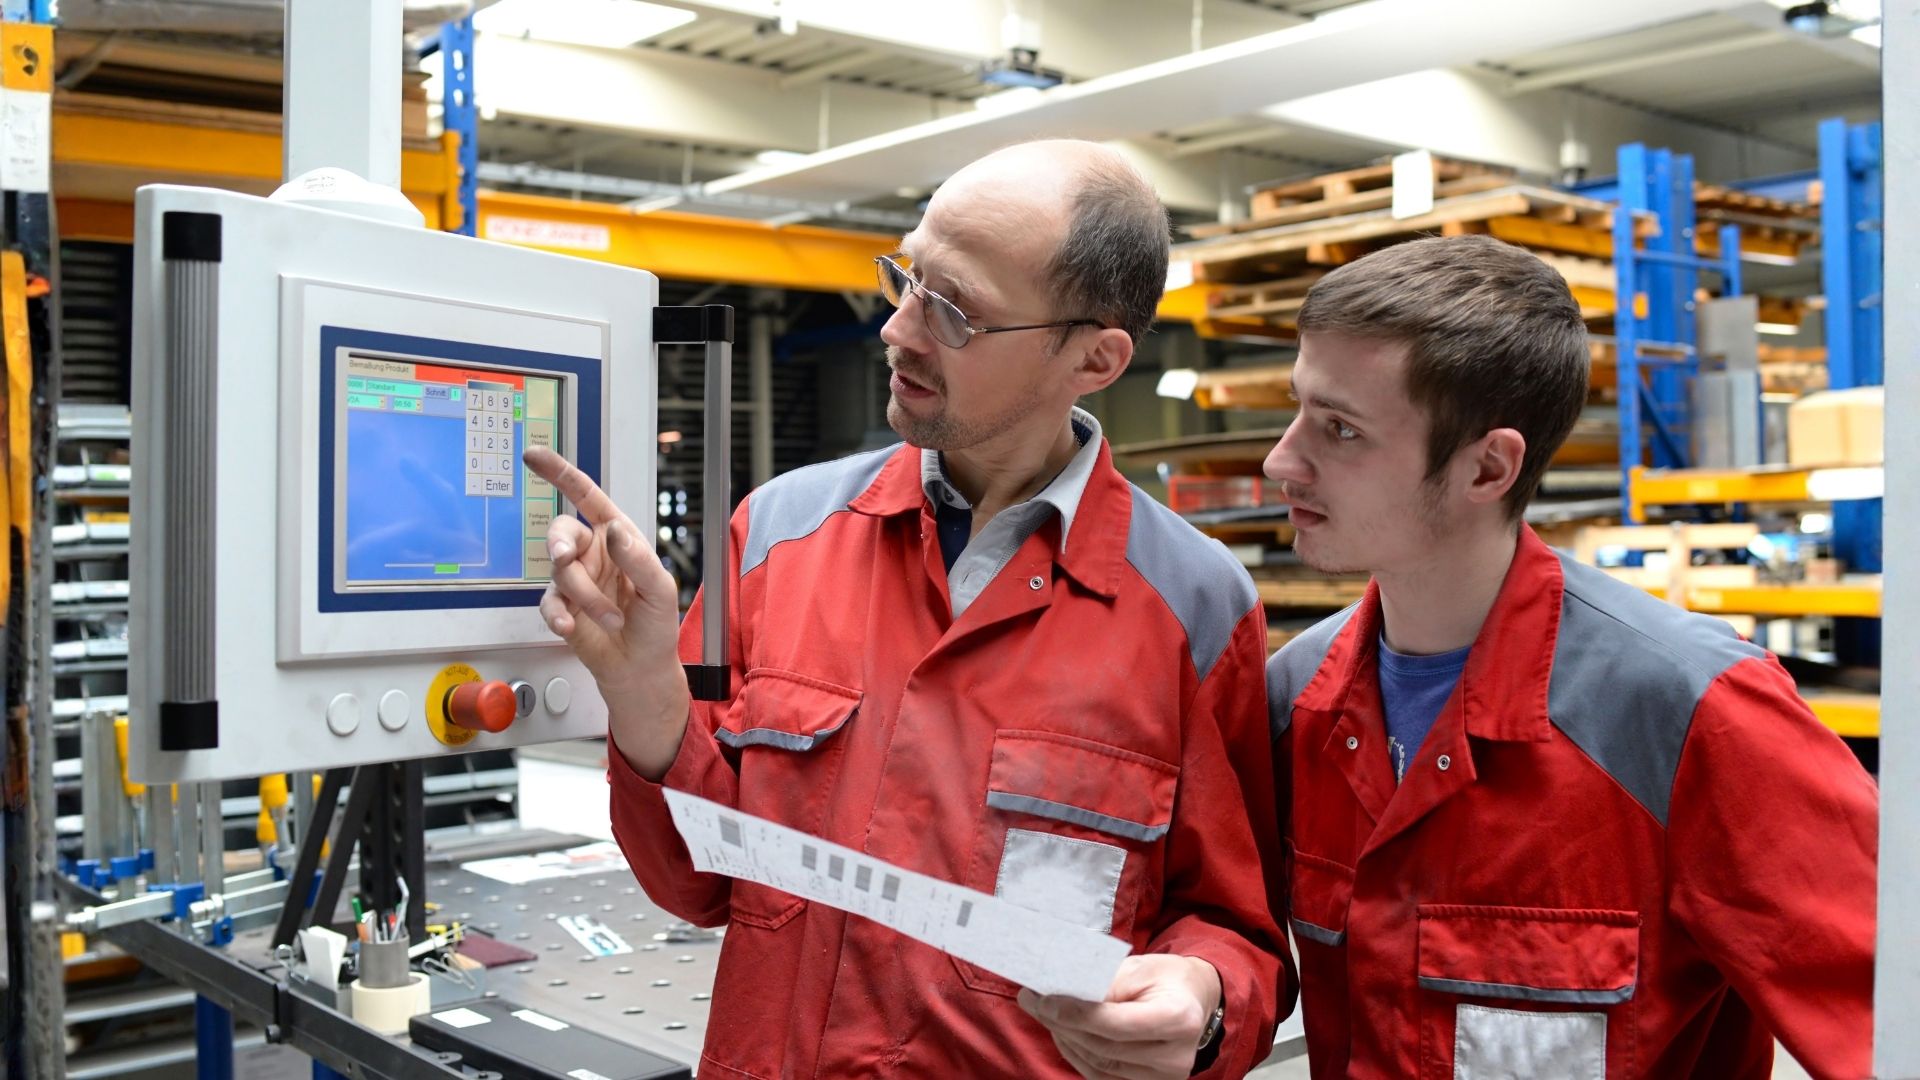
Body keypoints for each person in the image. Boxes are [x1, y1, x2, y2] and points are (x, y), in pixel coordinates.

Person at [526, 139, 1291, 1079]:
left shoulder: (1196, 607)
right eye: (907, 276)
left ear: (1095, 357)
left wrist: (1204, 995)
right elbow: (698, 883)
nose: (898, 329)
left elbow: (1238, 927)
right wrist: (643, 689)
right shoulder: (779, 533)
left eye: (956, 310)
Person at [1264, 234, 1877, 1079]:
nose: (1280, 460)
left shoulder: (1691, 713)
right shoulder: (1297, 700)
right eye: (1296, 409)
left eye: (1340, 430)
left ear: (1488, 468)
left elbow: (1887, 1013)